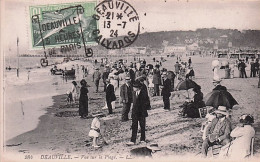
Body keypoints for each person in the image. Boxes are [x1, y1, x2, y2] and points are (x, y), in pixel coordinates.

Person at [126, 81, 150, 146]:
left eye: (134, 87)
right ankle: (132, 140)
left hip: (142, 113)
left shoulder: (144, 94)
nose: (133, 88)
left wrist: (143, 108)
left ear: (138, 88)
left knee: (142, 127)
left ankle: (142, 139)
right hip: (134, 113)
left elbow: (147, 103)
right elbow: (133, 103)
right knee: (134, 127)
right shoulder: (133, 93)